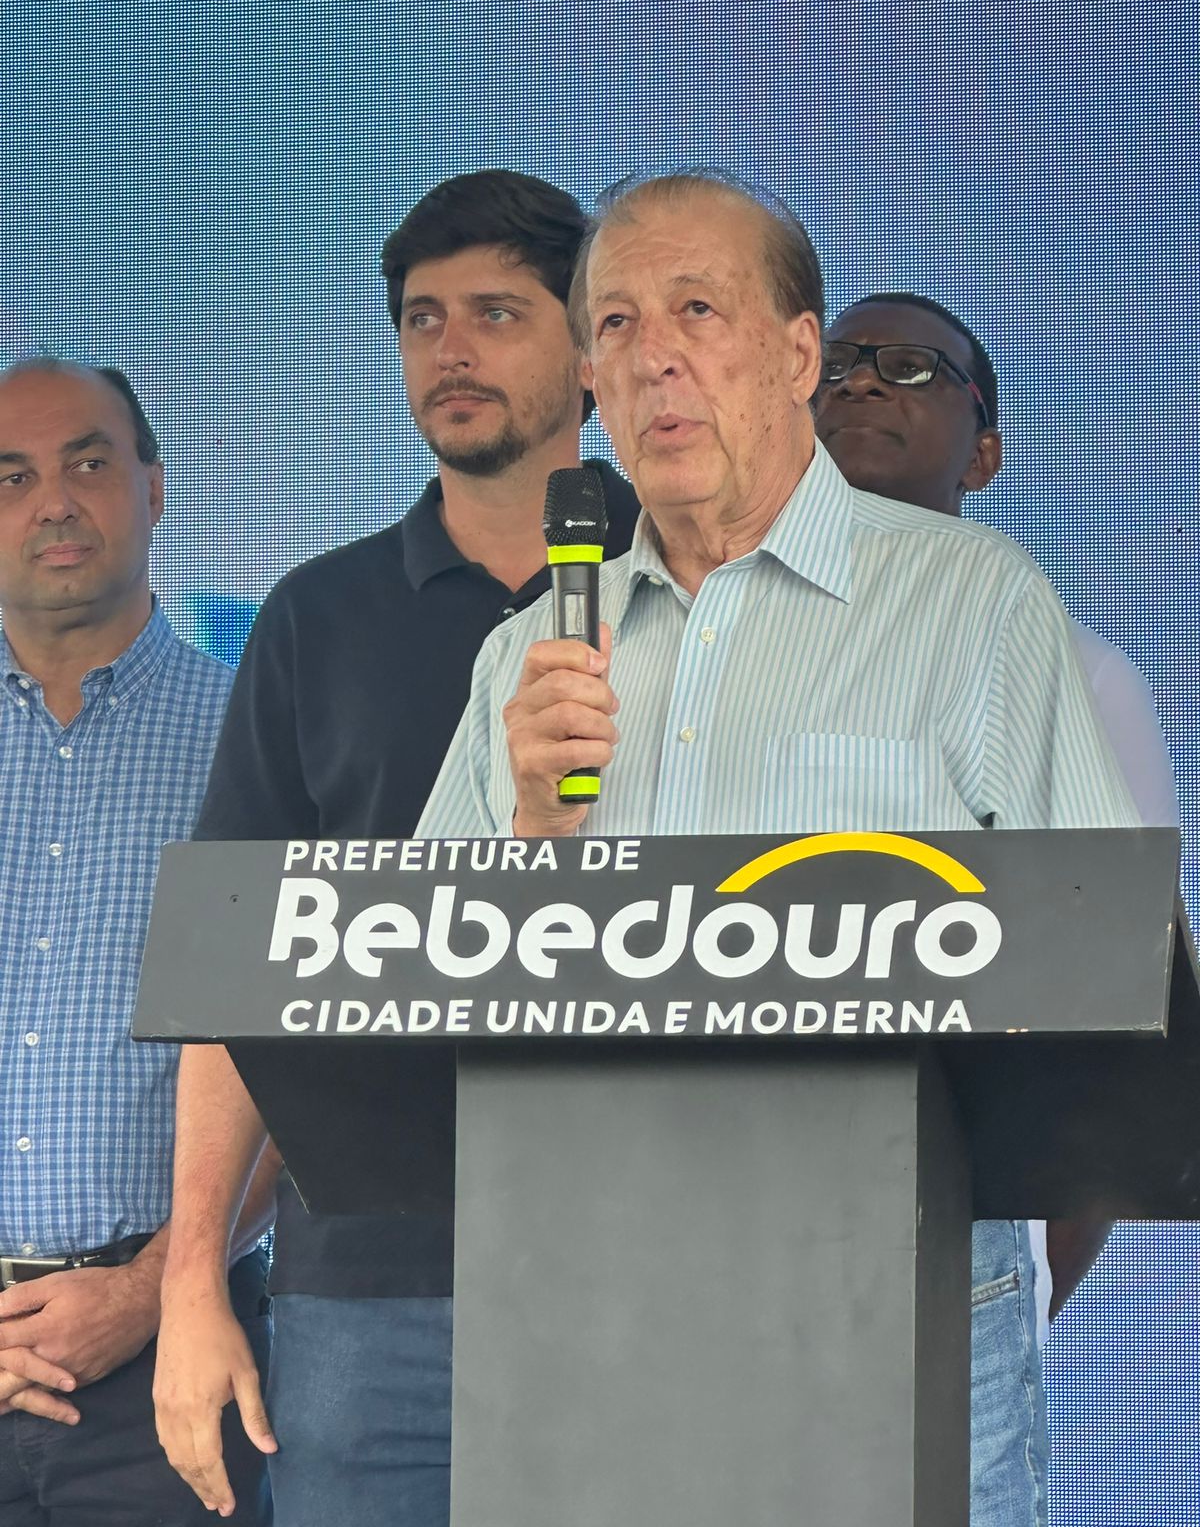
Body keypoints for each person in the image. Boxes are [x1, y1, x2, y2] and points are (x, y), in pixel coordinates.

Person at [414, 170, 1140, 1527]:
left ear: (799, 354)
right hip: (599, 1311)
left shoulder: (974, 604)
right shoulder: (528, 656)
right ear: (590, 381)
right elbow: (412, 1000)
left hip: (892, 1295)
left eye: (698, 309)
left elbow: (1105, 979)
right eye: (617, 324)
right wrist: (533, 831)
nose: (656, 356)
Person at [153, 170, 641, 1524]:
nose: (452, 349)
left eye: (496, 312)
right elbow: (237, 972)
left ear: (591, 352)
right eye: (424, 320)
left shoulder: (697, 591)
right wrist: (191, 1280)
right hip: (370, 1292)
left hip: (656, 1264)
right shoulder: (315, 618)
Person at [812, 288, 1178, 1508]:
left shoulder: (1078, 675)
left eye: (912, 366)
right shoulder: (699, 660)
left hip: (947, 1279)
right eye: (838, 362)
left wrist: (1004, 1288)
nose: (863, 380)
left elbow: (1121, 1027)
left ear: (985, 451)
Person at [0, 358, 272, 1525]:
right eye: (12, 477)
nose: (54, 501)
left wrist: (149, 1289)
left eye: (88, 462)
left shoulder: (253, 735)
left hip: (175, 1366)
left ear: (154, 488)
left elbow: (303, 1067)